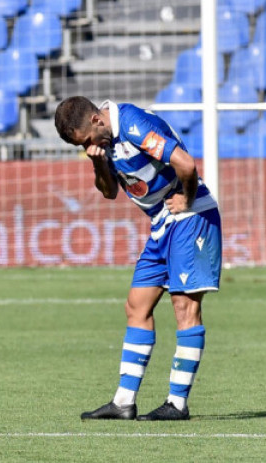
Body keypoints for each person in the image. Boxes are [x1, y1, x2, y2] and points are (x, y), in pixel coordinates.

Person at [54, 96, 222, 421]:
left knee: (184, 306)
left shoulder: (132, 124)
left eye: (88, 142)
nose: (89, 147)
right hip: (160, 222)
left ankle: (177, 404)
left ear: (96, 120)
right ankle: (124, 402)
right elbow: (108, 192)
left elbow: (186, 165)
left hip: (190, 215)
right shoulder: (104, 144)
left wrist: (186, 199)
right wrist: (97, 161)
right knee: (136, 306)